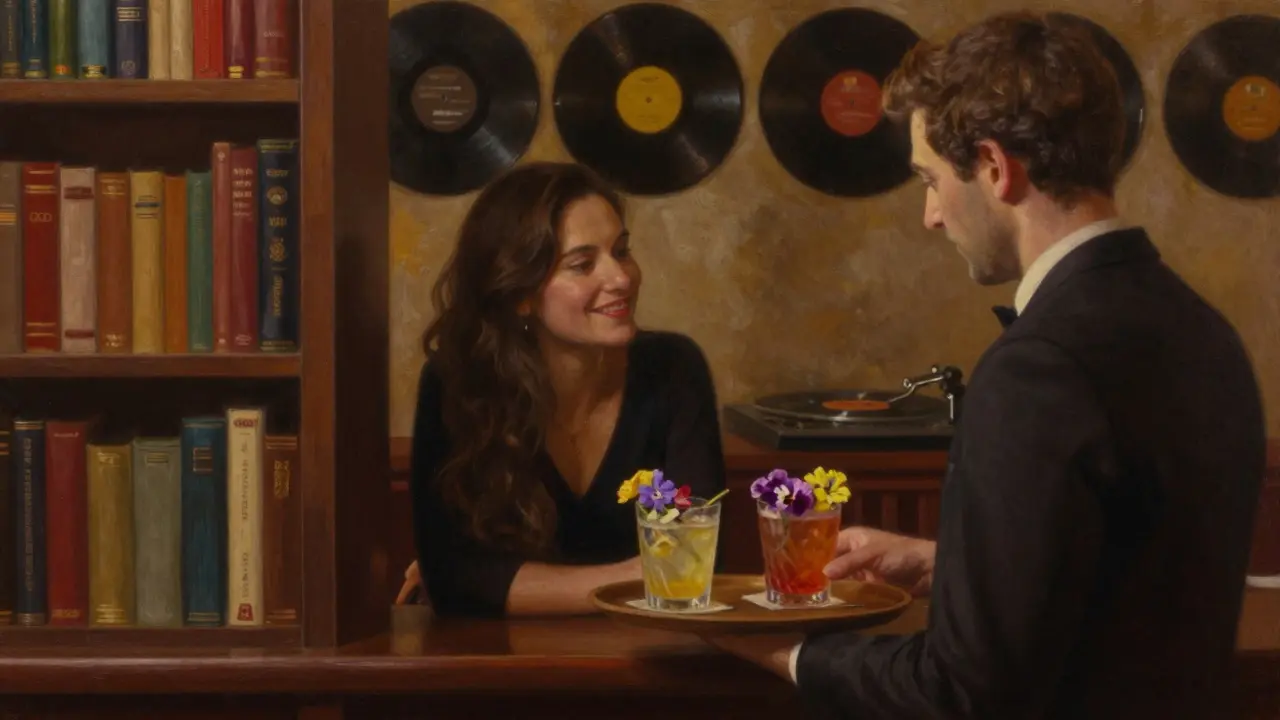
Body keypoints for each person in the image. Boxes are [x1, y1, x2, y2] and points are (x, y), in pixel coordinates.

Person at [708, 11, 1267, 718]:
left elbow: (965, 691)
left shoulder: (1038, 366)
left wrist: (786, 650)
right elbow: (1134, 582)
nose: (931, 215)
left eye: (931, 180)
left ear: (996, 169)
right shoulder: (1205, 332)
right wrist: (949, 565)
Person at [401, 161, 727, 617]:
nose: (621, 278)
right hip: (497, 656)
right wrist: (640, 577)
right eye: (582, 264)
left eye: (621, 251)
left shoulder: (673, 368)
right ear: (521, 293)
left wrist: (524, 585)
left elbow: (697, 555)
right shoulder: (457, 384)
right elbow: (456, 580)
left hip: (649, 651)